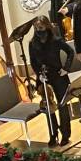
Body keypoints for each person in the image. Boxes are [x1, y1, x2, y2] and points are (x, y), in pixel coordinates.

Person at [29, 16, 74, 147]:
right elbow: (32, 61)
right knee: (49, 107)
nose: (38, 31)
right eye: (36, 28)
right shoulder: (32, 44)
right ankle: (53, 134)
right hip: (44, 78)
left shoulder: (56, 40)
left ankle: (65, 134)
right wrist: (39, 75)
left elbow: (70, 52)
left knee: (62, 105)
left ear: (47, 27)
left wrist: (66, 68)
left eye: (41, 28)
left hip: (58, 76)